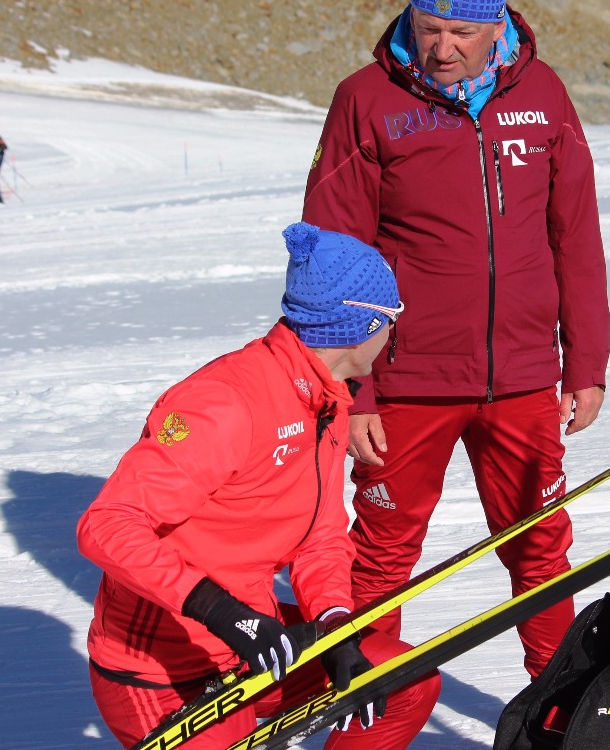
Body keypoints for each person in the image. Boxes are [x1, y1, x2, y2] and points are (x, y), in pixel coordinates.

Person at [301, 0, 610, 678]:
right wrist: (355, 389)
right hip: (404, 383)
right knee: (379, 556)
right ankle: (369, 707)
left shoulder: (542, 95)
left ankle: (559, 704)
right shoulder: (366, 101)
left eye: (462, 32)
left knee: (541, 545)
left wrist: (588, 360)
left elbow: (575, 233)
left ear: (496, 23)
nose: (443, 48)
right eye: (429, 27)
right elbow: (332, 251)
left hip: (525, 377)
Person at [77, 222, 441, 750]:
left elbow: (321, 537)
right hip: (164, 670)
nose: (395, 334)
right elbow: (106, 526)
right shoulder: (226, 403)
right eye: (394, 320)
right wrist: (223, 614)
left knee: (405, 680)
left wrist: (335, 624)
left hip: (255, 647)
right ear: (363, 327)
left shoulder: (327, 399)